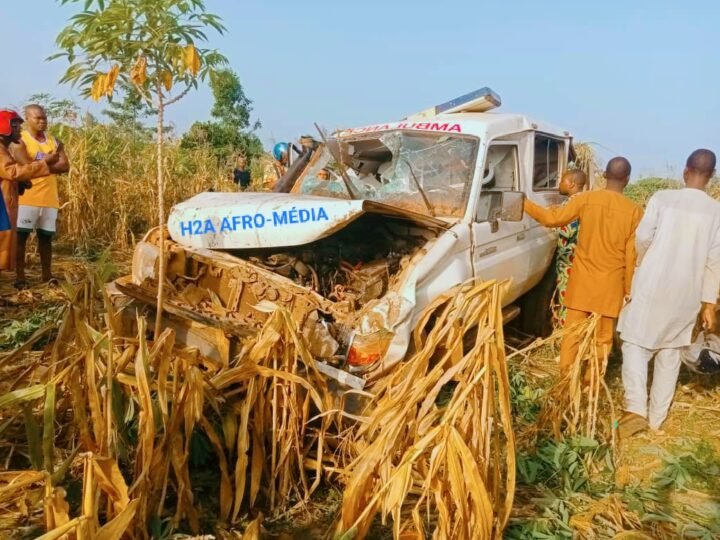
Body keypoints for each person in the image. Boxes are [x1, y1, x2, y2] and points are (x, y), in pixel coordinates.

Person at [617, 149, 720, 436]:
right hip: (687, 293)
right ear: (710, 176)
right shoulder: (716, 211)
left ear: (686, 171)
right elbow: (714, 262)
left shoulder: (662, 199)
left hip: (653, 283)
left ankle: (635, 408)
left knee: (636, 344)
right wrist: (708, 305)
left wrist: (645, 262)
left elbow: (643, 238)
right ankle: (656, 421)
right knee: (671, 352)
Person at [524, 157, 643, 374]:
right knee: (603, 340)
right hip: (610, 286)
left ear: (604, 175)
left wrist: (524, 203)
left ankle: (566, 382)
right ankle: (591, 386)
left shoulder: (586, 199)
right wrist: (627, 290)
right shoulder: (634, 211)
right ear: (627, 179)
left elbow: (553, 219)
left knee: (572, 335)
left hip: (581, 283)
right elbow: (631, 256)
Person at [13, 104, 70, 288]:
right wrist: (48, 161)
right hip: (27, 197)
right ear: (27, 119)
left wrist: (42, 164)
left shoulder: (54, 141)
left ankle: (47, 276)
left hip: (49, 198)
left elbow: (65, 166)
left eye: (44, 117)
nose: (42, 121)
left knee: (45, 238)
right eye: (37, 118)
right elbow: (25, 165)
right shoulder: (21, 140)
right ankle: (20, 277)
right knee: (21, 238)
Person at [0, 109, 59, 273]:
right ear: (5, 129)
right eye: (16, 126)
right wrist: (44, 163)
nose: (19, 130)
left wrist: (19, 184)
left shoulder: (4, 150)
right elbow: (12, 172)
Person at [553, 169, 588, 328]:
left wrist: (551, 223)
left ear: (572, 184)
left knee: (566, 299)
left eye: (562, 181)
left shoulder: (572, 203)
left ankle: (565, 335)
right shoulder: (588, 200)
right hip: (582, 259)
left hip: (569, 262)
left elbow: (567, 230)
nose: (559, 184)